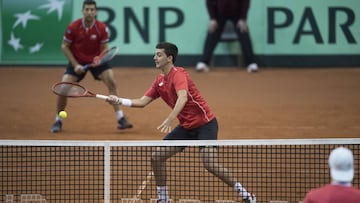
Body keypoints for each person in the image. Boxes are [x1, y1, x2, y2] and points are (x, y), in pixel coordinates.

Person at [106, 42, 256, 203]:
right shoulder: (159, 82)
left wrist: (170, 118)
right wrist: (118, 100)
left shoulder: (179, 75)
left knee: (210, 163)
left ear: (169, 58)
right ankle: (163, 198)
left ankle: (245, 194)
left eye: (159, 55)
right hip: (186, 127)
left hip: (205, 124)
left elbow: (182, 97)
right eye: (155, 54)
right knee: (157, 157)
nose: (154, 57)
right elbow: (142, 102)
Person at [50, 0, 133, 133]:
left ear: (96, 12)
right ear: (82, 11)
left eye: (92, 9)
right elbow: (64, 46)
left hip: (96, 61)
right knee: (63, 88)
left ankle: (121, 118)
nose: (89, 12)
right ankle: (58, 120)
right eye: (87, 9)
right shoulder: (73, 27)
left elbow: (105, 48)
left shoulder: (101, 28)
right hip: (77, 61)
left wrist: (99, 58)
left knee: (111, 81)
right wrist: (75, 65)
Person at [196, 0, 258, 73]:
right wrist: (212, 18)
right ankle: (204, 62)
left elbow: (245, 2)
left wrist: (243, 19)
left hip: (237, 15)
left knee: (243, 30)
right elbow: (209, 2)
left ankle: (251, 63)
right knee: (212, 30)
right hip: (219, 14)